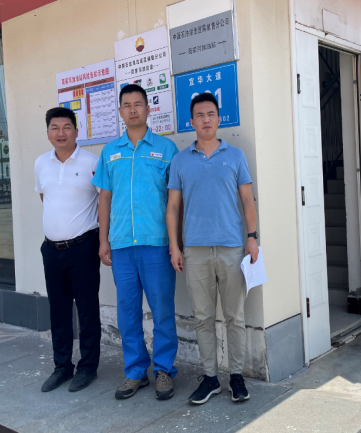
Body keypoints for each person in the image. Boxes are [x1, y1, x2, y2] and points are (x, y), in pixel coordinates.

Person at [166, 93, 259, 405]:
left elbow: (247, 200)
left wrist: (252, 237)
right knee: (203, 317)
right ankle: (210, 378)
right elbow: (173, 207)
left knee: (235, 316)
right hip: (195, 250)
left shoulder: (235, 156)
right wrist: (175, 246)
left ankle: (236, 376)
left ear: (219, 119)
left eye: (210, 114)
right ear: (191, 122)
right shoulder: (180, 160)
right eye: (199, 115)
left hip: (232, 247)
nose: (205, 119)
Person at [92, 84, 180, 401]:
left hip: (156, 244)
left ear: (148, 108)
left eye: (138, 104)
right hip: (121, 246)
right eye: (126, 105)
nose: (132, 109)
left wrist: (176, 242)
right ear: (120, 111)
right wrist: (103, 240)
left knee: (162, 310)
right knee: (127, 312)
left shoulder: (166, 149)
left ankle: (164, 370)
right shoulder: (110, 152)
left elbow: (176, 201)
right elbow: (104, 198)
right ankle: (135, 371)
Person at [35, 107, 101, 393]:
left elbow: (104, 203)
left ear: (76, 130)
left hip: (83, 247)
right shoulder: (41, 163)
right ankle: (62, 366)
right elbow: (45, 198)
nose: (60, 133)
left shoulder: (92, 162)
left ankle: (88, 367)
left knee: (87, 310)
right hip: (51, 250)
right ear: (48, 132)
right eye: (55, 127)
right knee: (58, 311)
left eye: (66, 127)